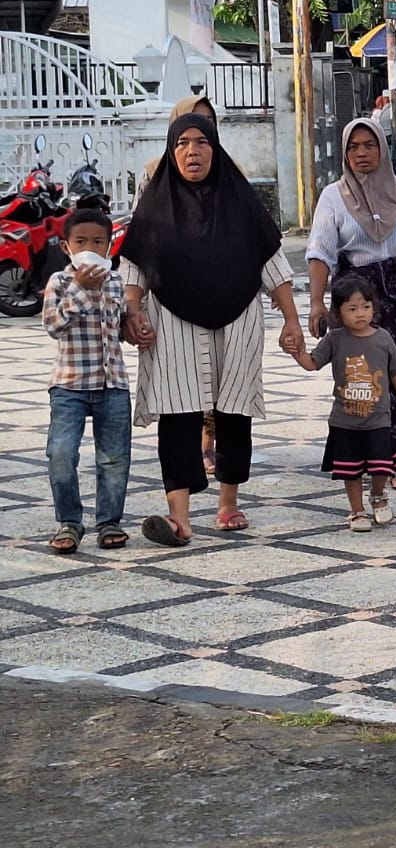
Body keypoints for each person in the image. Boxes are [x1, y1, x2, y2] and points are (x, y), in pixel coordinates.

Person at [122, 113, 304, 547]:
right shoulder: (154, 205)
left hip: (238, 319)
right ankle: (179, 518)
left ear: (215, 148)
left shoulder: (241, 201)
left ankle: (227, 503)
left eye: (201, 142)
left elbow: (272, 264)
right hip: (171, 321)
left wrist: (292, 320)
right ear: (171, 150)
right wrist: (132, 310)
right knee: (178, 415)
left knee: (234, 414)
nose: (192, 151)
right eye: (182, 142)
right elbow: (134, 266)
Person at [305, 118, 396, 489]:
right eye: (353, 147)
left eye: (369, 145)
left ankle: (394, 457)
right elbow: (320, 251)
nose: (361, 153)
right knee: (358, 376)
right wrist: (317, 303)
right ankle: (359, 455)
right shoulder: (333, 196)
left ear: (382, 149)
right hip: (355, 295)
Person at [136, 95, 222, 474]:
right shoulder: (155, 171)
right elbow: (142, 235)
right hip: (168, 292)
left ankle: (210, 444)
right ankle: (183, 464)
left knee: (218, 378)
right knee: (180, 383)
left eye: (206, 126)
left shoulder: (226, 169)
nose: (195, 142)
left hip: (218, 292)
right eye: (187, 129)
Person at [292, 274, 396, 532]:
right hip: (345, 420)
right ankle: (356, 510)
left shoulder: (383, 338)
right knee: (351, 470)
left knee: (381, 464)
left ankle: (379, 496)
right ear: (338, 312)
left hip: (379, 418)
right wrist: (297, 353)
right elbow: (312, 364)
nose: (360, 314)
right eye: (352, 309)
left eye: (366, 307)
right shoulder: (335, 340)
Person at [41, 206, 131, 553]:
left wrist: (135, 326)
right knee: (61, 454)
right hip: (69, 385)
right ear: (67, 247)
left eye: (98, 241)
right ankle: (69, 522)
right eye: (81, 241)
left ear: (109, 246)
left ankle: (109, 522)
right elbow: (52, 325)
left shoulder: (116, 281)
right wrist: (80, 288)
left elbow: (118, 326)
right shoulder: (60, 282)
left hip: (112, 384)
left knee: (114, 458)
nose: (89, 247)